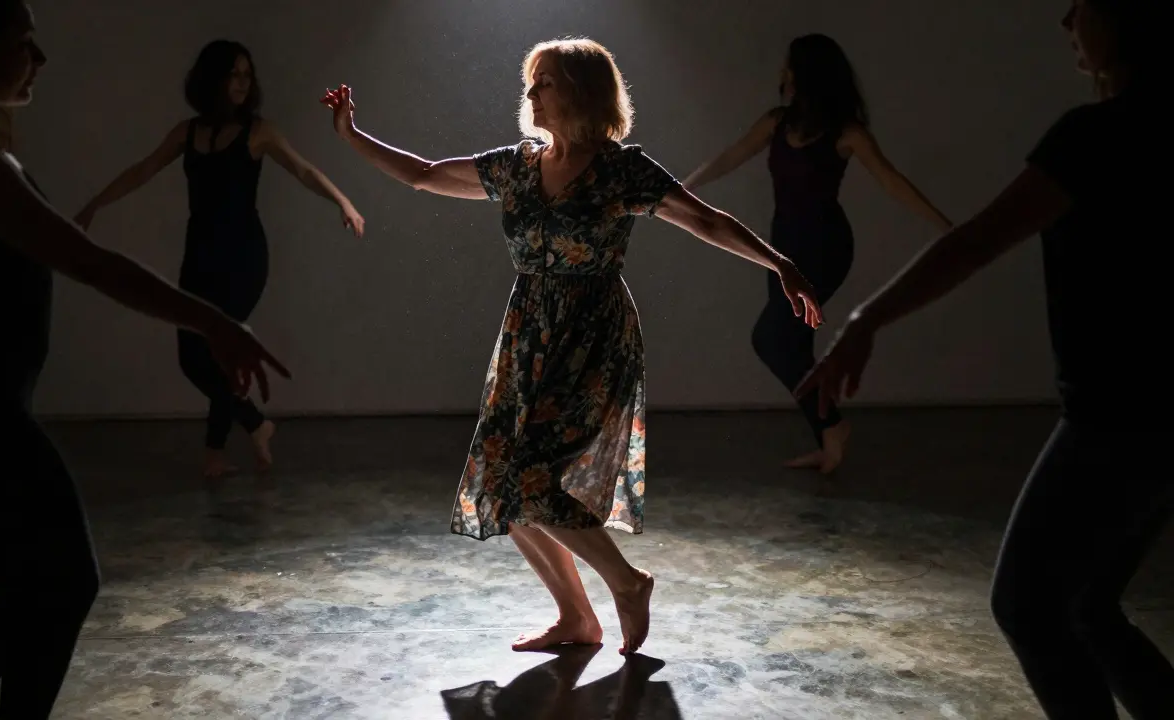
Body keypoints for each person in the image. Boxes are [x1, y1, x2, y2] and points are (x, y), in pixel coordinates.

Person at [321, 38, 823, 656]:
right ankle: (576, 619)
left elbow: (705, 220)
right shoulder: (517, 167)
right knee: (501, 478)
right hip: (528, 332)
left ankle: (628, 583)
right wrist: (352, 134)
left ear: (582, 92)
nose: (531, 94)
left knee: (531, 475)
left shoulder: (620, 170)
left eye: (546, 83)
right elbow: (425, 175)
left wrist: (780, 264)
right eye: (531, 83)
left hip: (593, 335)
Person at [0, 1, 289, 717]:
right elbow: (91, 263)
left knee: (39, 584)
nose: (40, 59)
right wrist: (214, 322)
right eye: (23, 43)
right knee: (61, 580)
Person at [795, 2, 1167, 717]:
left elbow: (975, 242)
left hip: (1116, 416)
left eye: (1084, 6)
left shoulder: (1094, 137)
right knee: (1088, 604)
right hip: (1152, 412)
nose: (1066, 21)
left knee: (1028, 606)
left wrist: (867, 319)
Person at [75, 39, 364, 478]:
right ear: (213, 79)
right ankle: (250, 428)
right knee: (193, 354)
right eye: (234, 74)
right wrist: (96, 203)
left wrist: (342, 201)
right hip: (200, 255)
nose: (243, 84)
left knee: (218, 347)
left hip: (243, 256)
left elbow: (303, 169)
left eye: (248, 75)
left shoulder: (258, 131)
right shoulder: (188, 132)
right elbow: (142, 170)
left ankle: (221, 447)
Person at [684, 34, 951, 474]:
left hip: (825, 247)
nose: (782, 74)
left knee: (773, 339)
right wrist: (681, 190)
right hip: (779, 247)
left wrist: (946, 229)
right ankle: (830, 438)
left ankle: (832, 427)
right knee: (792, 344)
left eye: (789, 66)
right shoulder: (776, 123)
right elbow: (730, 156)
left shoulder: (846, 133)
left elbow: (891, 181)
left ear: (805, 73)